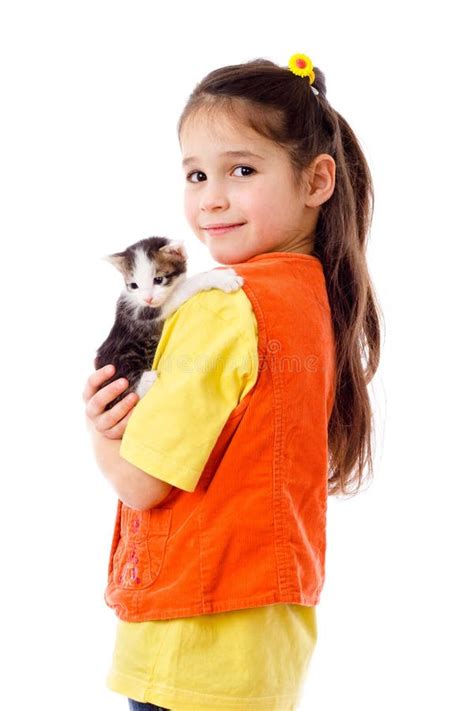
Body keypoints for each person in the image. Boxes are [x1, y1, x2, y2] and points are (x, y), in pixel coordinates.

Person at [83, 52, 382, 711]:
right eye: (195, 173)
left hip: (191, 644)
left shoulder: (224, 307)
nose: (210, 197)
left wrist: (103, 434)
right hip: (266, 649)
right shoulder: (313, 303)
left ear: (317, 180)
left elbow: (143, 480)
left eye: (240, 170)